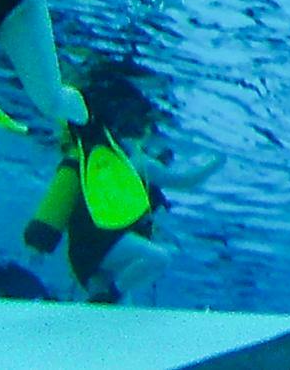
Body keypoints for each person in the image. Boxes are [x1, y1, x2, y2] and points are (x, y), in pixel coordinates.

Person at [21, 72, 223, 304]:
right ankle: (112, 294)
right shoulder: (128, 163)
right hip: (104, 245)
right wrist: (218, 161)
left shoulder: (90, 160)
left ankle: (108, 298)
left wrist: (39, 243)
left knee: (110, 306)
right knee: (156, 261)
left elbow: (58, 201)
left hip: (85, 253)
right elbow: (185, 180)